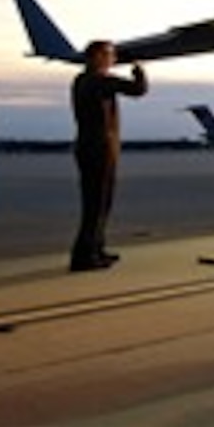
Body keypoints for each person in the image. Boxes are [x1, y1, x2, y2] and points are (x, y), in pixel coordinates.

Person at [70, 41, 148, 272]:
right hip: (99, 148)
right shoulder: (99, 80)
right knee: (97, 203)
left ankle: (95, 249)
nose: (112, 60)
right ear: (96, 57)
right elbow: (138, 90)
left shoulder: (82, 80)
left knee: (98, 203)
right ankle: (85, 256)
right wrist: (138, 70)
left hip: (90, 146)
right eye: (109, 55)